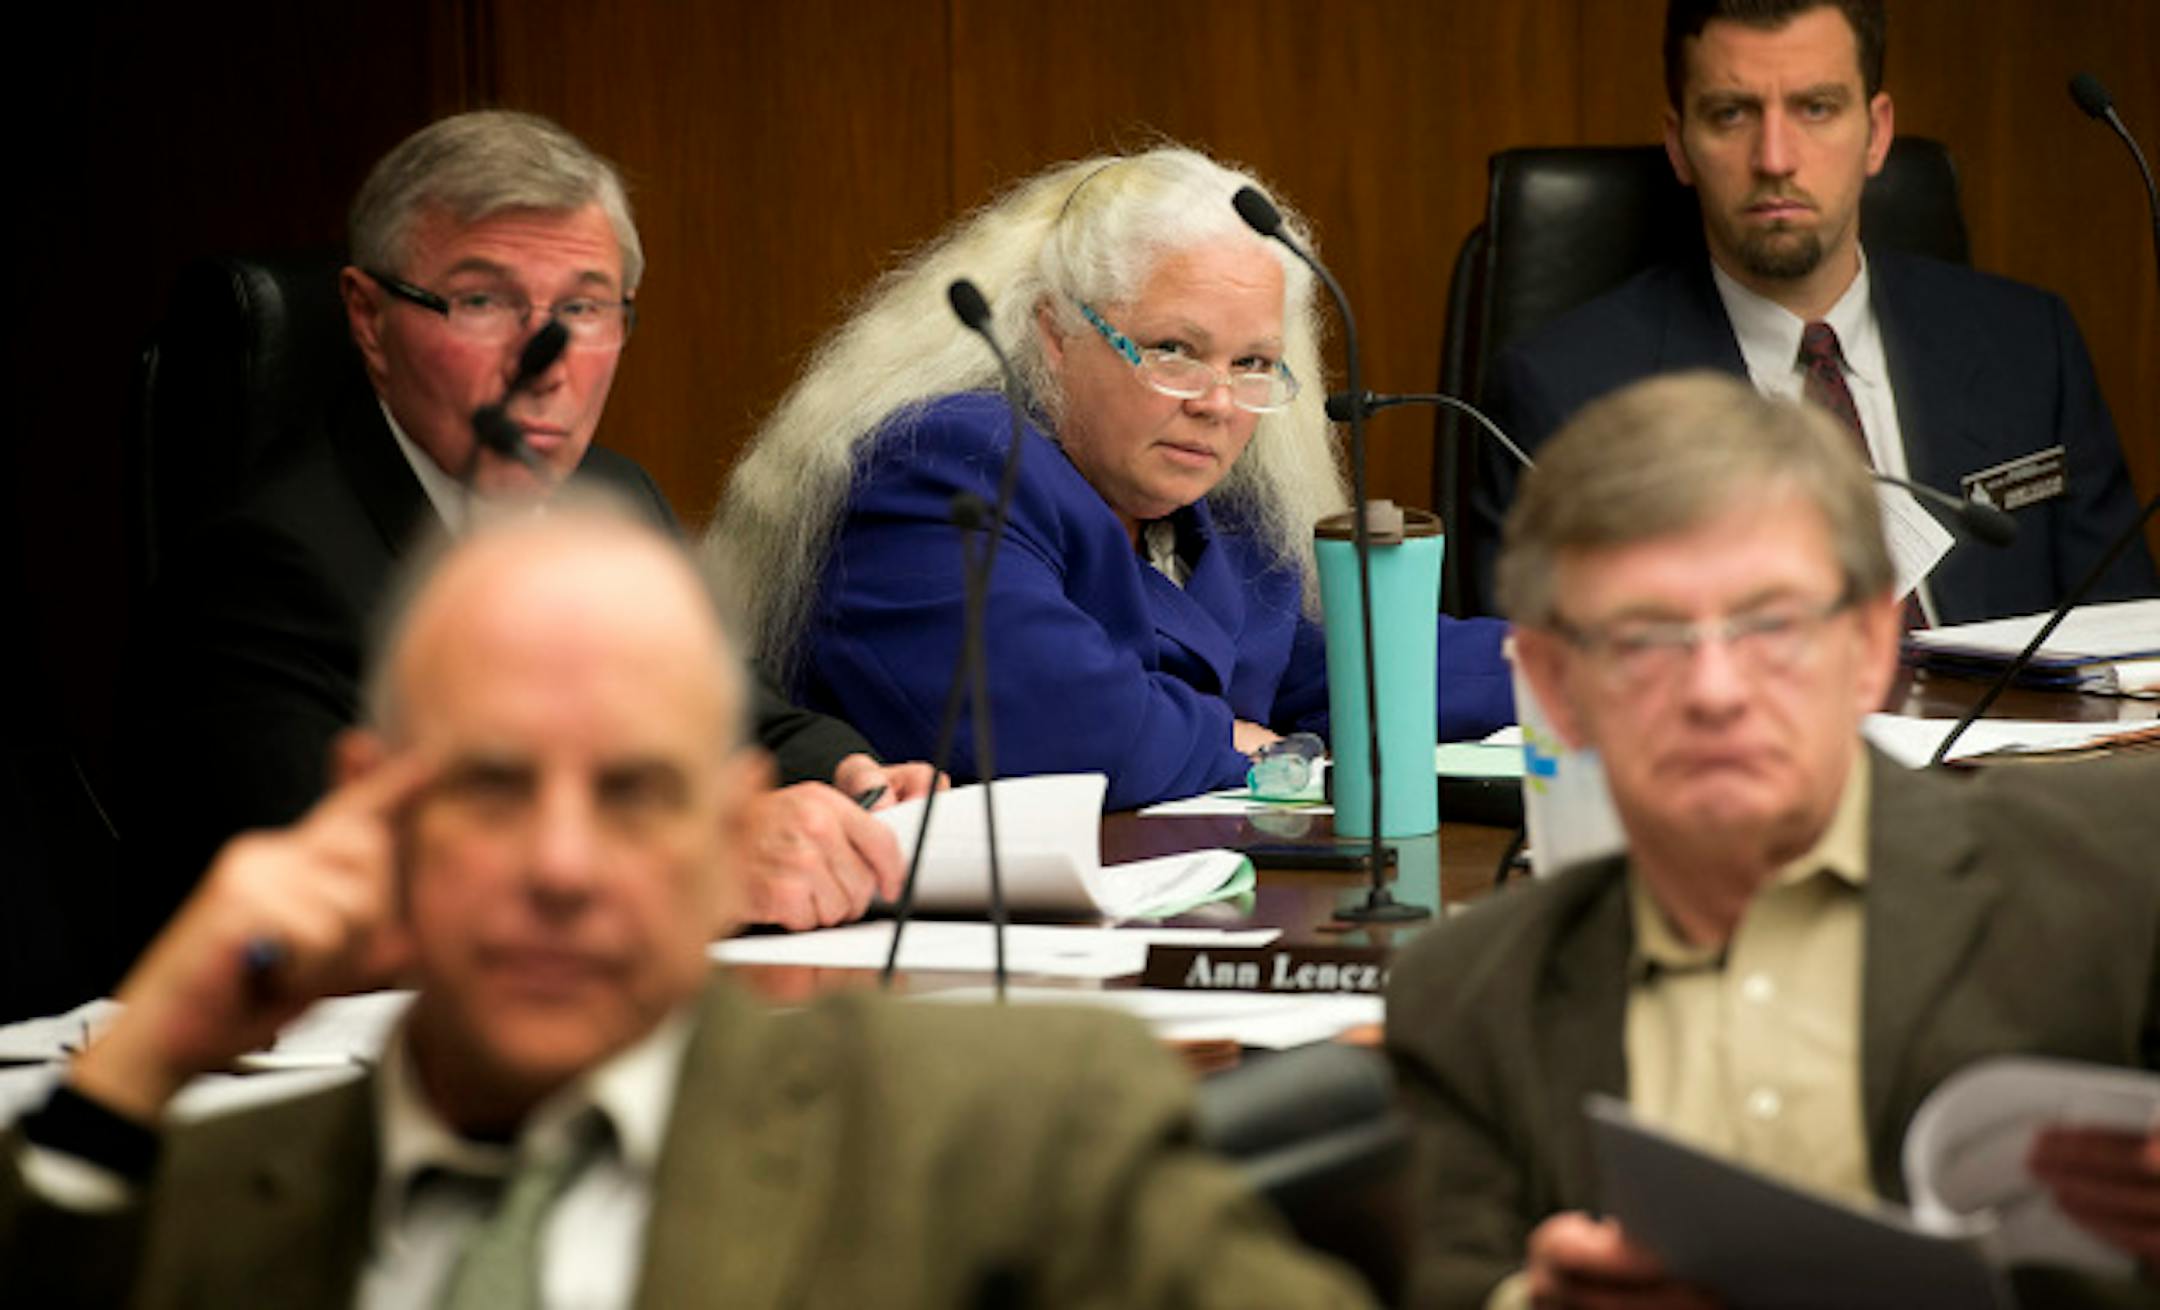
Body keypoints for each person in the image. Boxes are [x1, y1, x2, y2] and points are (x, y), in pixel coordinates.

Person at [3, 502, 1371, 1308]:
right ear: (373, 804)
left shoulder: (1010, 1136)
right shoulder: (204, 1207)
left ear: (728, 825)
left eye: (632, 792)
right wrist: (150, 1044)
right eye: (490, 784)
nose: (561, 862)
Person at [1387, 372, 2160, 1310]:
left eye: (1772, 625)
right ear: (1555, 687)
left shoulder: (2119, 876)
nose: (1716, 690)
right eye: (1646, 638)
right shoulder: (1468, 999)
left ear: (1873, 647)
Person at [116, 111, 931, 965]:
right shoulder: (264, 568)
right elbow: (322, 905)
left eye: (581, 308)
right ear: (366, 317)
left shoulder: (613, 498)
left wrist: (853, 780)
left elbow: (750, 723)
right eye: (482, 303)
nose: (544, 363)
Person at [712, 146, 1514, 812]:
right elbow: (1070, 729)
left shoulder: (1208, 509)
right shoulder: (948, 461)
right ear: (1055, 335)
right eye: (1173, 349)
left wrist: (1574, 667)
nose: (1218, 403)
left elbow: (1346, 668)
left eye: (1254, 364)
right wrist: (1250, 749)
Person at [1471, 0, 2156, 623]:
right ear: (1679, 143)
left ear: (1877, 132)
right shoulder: (1563, 399)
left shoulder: (2029, 347)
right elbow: (1547, 690)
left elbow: (2130, 647)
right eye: (1731, 114)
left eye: (1816, 108)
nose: (1775, 158)